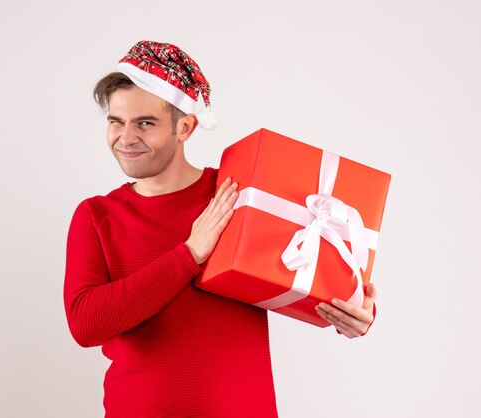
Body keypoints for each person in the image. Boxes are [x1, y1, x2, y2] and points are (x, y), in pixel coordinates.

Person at [63, 40, 377, 418]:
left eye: (145, 123)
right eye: (116, 122)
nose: (126, 138)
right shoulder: (97, 215)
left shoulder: (240, 194)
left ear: (186, 127)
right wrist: (190, 253)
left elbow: (307, 269)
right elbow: (86, 324)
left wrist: (353, 312)